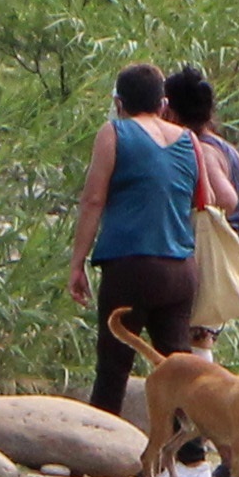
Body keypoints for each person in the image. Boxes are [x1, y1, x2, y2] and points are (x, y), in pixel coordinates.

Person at [69, 63, 198, 415]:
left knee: (114, 365)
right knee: (179, 366)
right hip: (181, 268)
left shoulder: (113, 133)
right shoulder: (189, 140)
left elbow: (94, 199)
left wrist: (78, 261)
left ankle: (101, 447)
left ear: (118, 102)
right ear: (163, 103)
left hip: (131, 265)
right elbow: (205, 198)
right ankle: (192, 458)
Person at [159, 65, 239, 341]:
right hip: (223, 252)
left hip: (205, 253)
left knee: (197, 334)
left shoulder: (200, 148)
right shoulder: (225, 147)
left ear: (171, 112)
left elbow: (226, 199)